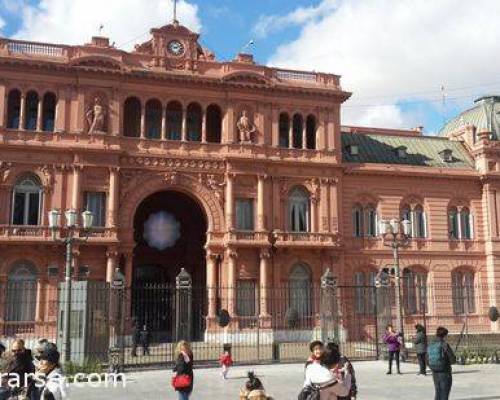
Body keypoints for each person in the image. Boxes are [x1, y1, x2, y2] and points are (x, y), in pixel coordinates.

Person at [428, 327, 456, 400]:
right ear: (444, 335)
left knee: (438, 392)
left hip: (434, 372)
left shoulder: (431, 344)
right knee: (444, 394)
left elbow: (427, 358)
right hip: (445, 372)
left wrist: (433, 365)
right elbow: (452, 360)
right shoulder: (444, 344)